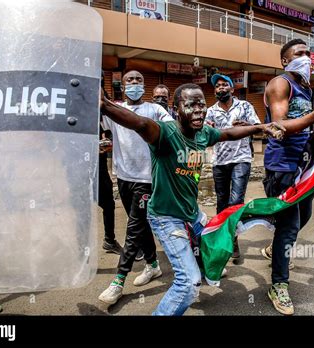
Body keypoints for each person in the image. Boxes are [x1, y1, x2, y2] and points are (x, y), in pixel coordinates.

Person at [100, 82, 284, 315]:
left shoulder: (203, 133)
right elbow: (139, 123)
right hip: (167, 218)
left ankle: (205, 266)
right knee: (188, 284)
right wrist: (105, 106)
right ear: (176, 109)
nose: (198, 110)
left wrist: (261, 127)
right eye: (191, 105)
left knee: (218, 241)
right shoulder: (165, 133)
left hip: (192, 214)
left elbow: (228, 133)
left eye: (202, 104)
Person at [259, 39, 314, 315]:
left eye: (309, 53)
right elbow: (279, 125)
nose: (306, 58)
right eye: (300, 54)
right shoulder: (280, 84)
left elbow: (307, 124)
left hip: (303, 165)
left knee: (304, 215)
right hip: (282, 166)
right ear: (285, 60)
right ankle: (278, 285)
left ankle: (275, 248)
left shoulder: (306, 87)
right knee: (289, 225)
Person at [98, 70, 174, 306]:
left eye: (139, 80)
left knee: (134, 227)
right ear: (123, 85)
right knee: (139, 225)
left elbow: (171, 132)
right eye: (130, 80)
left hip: (147, 178)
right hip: (123, 176)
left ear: (144, 85)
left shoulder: (155, 109)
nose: (134, 84)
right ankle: (152, 265)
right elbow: (98, 116)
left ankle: (118, 280)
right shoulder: (115, 109)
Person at [205, 74, 260, 260]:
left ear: (232, 89)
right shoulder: (211, 111)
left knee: (235, 201)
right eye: (217, 86)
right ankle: (225, 239)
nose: (221, 88)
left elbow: (259, 126)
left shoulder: (245, 106)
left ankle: (233, 239)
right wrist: (208, 129)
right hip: (219, 161)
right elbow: (203, 134)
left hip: (241, 159)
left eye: (224, 85)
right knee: (222, 202)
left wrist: (247, 125)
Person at [99, 87, 122, 254]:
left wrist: (105, 141)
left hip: (99, 167)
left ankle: (109, 240)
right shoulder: (75, 108)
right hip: (78, 168)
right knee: (81, 207)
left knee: (108, 203)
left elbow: (109, 131)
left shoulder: (103, 108)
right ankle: (79, 249)